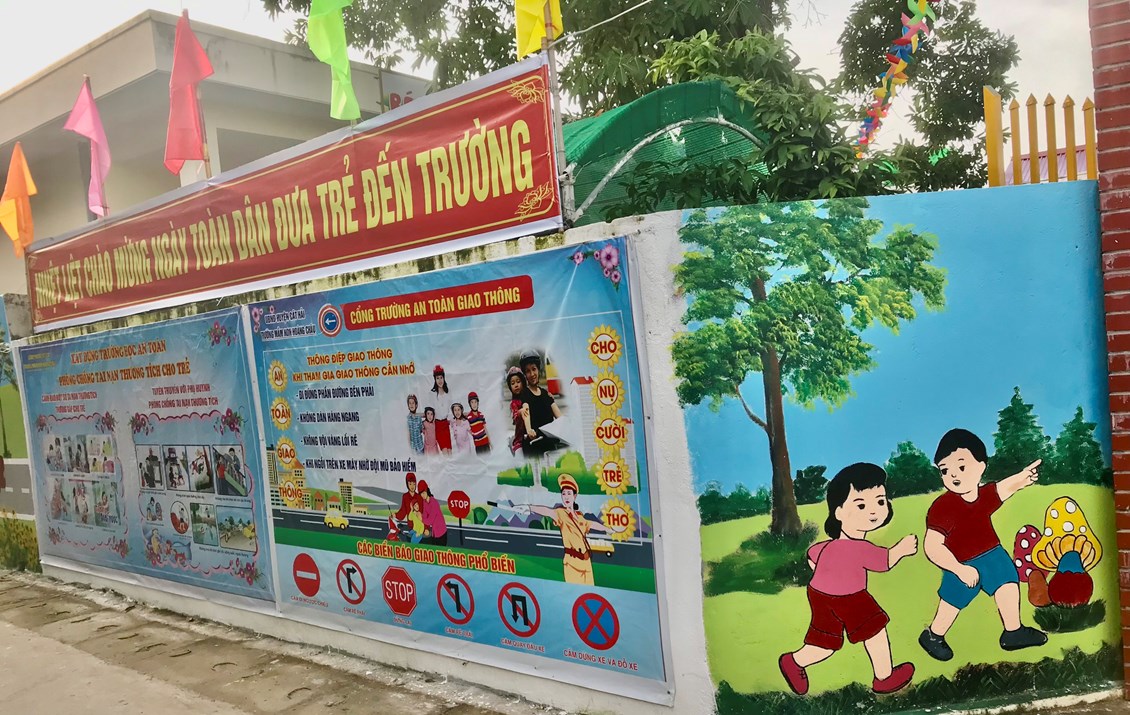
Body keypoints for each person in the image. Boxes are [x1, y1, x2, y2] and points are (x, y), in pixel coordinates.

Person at [778, 463, 917, 697]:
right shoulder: (859, 548)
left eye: (880, 502)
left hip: (819, 595)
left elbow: (813, 556)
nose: (873, 512)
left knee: (825, 642)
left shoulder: (830, 545)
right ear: (839, 512)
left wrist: (826, 573)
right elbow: (885, 562)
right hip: (850, 597)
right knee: (875, 630)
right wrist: (902, 549)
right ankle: (884, 677)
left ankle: (795, 661)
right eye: (861, 505)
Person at [919, 429, 1046, 661]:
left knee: (1007, 582)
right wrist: (958, 569)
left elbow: (1004, 488)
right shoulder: (943, 507)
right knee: (953, 600)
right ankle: (934, 635)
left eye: (961, 467)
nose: (953, 475)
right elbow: (932, 546)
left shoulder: (984, 495)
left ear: (981, 467)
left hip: (992, 554)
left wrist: (1023, 478)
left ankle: (1013, 631)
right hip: (960, 562)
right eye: (945, 470)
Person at [522, 474, 608, 585]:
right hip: (572, 563)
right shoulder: (561, 513)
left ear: (574, 496)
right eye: (563, 494)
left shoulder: (580, 516)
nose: (566, 497)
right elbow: (547, 511)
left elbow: (592, 524)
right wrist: (529, 508)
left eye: (569, 493)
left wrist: (609, 529)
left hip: (586, 563)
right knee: (575, 592)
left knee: (590, 592)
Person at [519, 350, 565, 456]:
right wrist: (529, 430)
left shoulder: (546, 394)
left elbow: (559, 416)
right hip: (534, 444)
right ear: (525, 374)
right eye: (528, 371)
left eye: (534, 369)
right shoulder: (525, 394)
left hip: (550, 445)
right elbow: (526, 411)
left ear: (538, 369)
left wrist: (568, 424)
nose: (532, 374)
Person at [507, 367, 534, 454]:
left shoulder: (528, 396)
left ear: (523, 382)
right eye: (512, 383)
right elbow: (515, 415)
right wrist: (520, 412)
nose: (516, 385)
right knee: (520, 458)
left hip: (533, 435)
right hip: (520, 440)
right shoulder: (514, 403)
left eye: (518, 382)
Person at [429, 365, 453, 454]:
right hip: (438, 425)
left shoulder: (448, 392)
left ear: (444, 378)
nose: (440, 380)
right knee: (445, 451)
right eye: (437, 378)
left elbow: (451, 407)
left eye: (441, 378)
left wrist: (449, 419)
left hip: (446, 424)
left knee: (450, 451)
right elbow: (430, 410)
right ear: (435, 379)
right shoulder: (432, 394)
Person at [417, 480, 448, 546]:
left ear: (427, 490)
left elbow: (430, 521)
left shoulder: (434, 503)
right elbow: (425, 515)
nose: (422, 495)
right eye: (421, 494)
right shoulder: (424, 502)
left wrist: (421, 519)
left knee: (440, 551)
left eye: (423, 493)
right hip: (434, 532)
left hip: (441, 532)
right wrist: (420, 515)